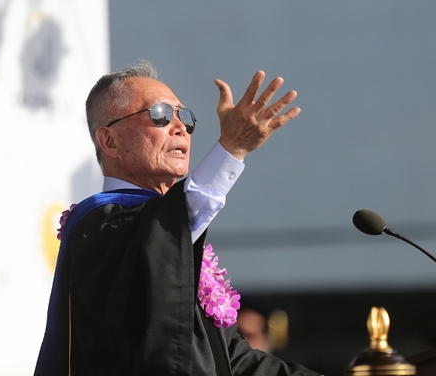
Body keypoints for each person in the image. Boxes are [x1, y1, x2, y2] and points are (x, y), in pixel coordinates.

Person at [34, 61, 320, 375]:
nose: (180, 127)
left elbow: (232, 362)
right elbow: (164, 232)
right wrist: (231, 149)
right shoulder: (99, 226)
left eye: (185, 116)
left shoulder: (169, 233)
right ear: (109, 141)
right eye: (160, 115)